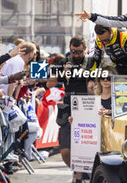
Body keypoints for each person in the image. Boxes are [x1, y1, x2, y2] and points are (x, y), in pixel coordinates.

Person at [47, 36, 89, 183]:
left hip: (87, 104)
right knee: (65, 149)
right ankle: (76, 170)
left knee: (86, 144)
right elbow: (49, 84)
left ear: (84, 49)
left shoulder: (91, 62)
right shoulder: (65, 62)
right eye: (73, 51)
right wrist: (63, 72)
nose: (76, 55)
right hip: (69, 105)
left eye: (78, 52)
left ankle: (81, 174)